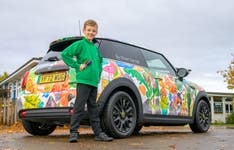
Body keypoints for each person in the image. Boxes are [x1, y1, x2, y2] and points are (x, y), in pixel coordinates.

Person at [61, 19, 113, 143]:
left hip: (93, 82)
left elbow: (99, 62)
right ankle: (73, 132)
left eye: (93, 31)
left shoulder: (95, 48)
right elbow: (65, 54)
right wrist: (77, 65)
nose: (91, 32)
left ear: (96, 32)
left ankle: (98, 133)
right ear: (84, 31)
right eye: (88, 30)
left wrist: (98, 74)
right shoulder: (80, 44)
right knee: (79, 107)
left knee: (93, 109)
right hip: (83, 81)